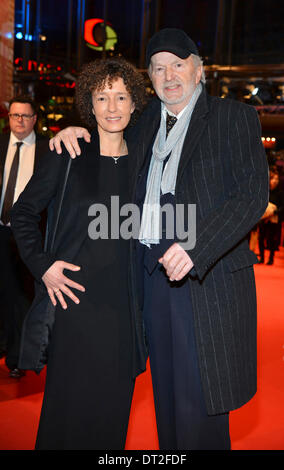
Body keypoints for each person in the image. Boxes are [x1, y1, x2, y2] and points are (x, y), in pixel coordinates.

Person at [49, 28, 269, 450]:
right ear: (149, 78)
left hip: (203, 282)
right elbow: (107, 129)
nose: (169, 76)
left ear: (199, 70)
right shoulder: (146, 119)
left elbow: (251, 196)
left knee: (199, 406)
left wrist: (195, 247)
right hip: (148, 278)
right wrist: (71, 133)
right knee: (166, 399)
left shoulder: (233, 117)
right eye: (158, 68)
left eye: (179, 65)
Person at [10, 58, 147, 450]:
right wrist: (43, 265)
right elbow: (23, 214)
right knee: (67, 415)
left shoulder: (143, 159)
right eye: (101, 97)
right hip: (74, 307)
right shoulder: (68, 152)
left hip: (125, 311)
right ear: (89, 103)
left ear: (135, 102)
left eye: (121, 96)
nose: (112, 106)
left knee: (112, 417)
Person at [0, 96, 48, 378]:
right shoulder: (0, 144)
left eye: (24, 116)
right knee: (6, 293)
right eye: (14, 115)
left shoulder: (47, 149)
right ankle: (10, 348)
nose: (19, 120)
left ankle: (23, 354)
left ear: (34, 119)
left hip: (29, 235)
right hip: (0, 230)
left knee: (25, 294)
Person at [258, 168, 284, 265]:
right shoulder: (264, 191)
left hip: (274, 218)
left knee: (271, 239)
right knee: (261, 238)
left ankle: (271, 258)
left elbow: (283, 206)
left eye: (277, 179)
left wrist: (275, 211)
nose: (275, 181)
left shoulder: (280, 192)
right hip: (264, 218)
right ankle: (262, 258)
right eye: (273, 179)